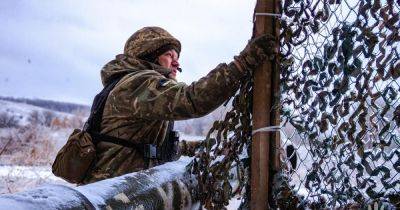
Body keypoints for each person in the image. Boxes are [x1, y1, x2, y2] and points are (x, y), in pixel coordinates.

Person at [82, 26, 276, 184]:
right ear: (148, 55)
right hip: (114, 195)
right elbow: (192, 100)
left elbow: (149, 147)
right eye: (169, 55)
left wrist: (204, 147)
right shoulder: (138, 84)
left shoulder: (132, 87)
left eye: (177, 58)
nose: (176, 63)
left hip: (120, 190)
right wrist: (242, 65)